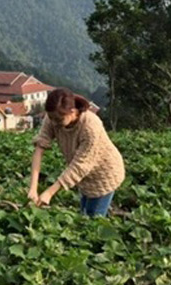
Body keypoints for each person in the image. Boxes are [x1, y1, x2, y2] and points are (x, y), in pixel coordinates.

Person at [27, 88, 125, 217]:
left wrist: (50, 192)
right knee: (84, 214)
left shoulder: (90, 126)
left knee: (93, 220)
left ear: (72, 111)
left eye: (59, 119)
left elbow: (79, 166)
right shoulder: (53, 118)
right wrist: (33, 188)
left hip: (105, 174)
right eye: (52, 118)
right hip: (84, 178)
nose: (55, 123)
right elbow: (39, 148)